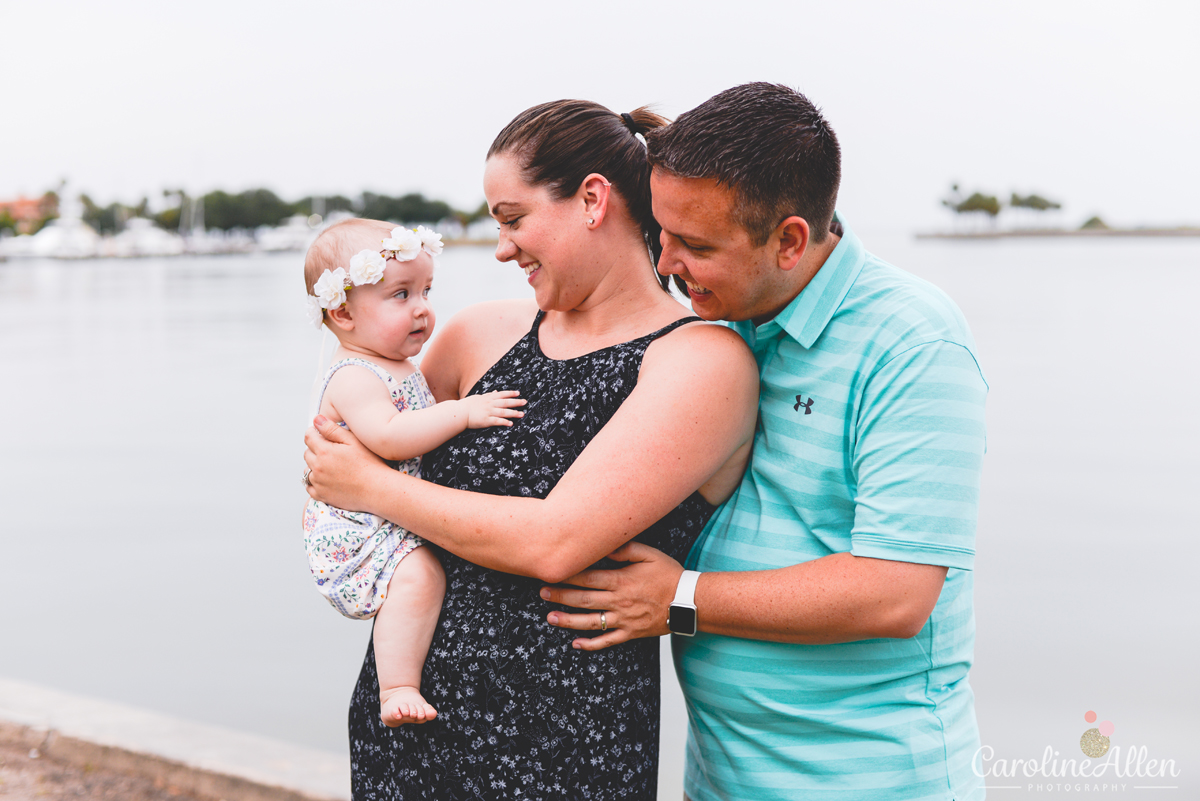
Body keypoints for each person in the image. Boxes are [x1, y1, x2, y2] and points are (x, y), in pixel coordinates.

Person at [540, 83, 989, 801]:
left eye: (696, 245)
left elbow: (896, 593)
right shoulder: (715, 324)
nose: (666, 265)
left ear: (789, 240)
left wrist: (679, 597)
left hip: (868, 783)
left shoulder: (912, 340)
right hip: (719, 780)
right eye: (663, 235)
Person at [303, 100, 760, 800]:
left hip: (565, 749)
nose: (502, 247)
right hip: (407, 726)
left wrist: (369, 486)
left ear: (591, 199)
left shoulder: (701, 360)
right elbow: (356, 451)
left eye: (513, 218)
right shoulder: (477, 335)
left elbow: (555, 540)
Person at [300, 218, 526, 727]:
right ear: (342, 312)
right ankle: (397, 685)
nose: (422, 307)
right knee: (419, 573)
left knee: (422, 571)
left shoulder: (389, 363)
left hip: (383, 511)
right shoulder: (355, 374)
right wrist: (464, 412)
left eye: (426, 289)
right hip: (357, 529)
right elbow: (389, 436)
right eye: (400, 295)